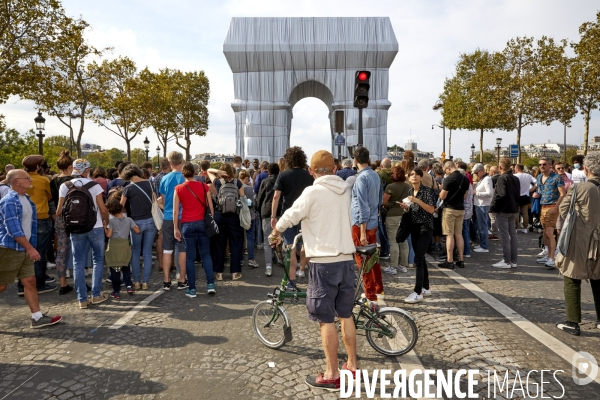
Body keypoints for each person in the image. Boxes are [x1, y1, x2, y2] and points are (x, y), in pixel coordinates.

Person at [269, 150, 357, 390]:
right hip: (347, 260)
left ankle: (332, 374)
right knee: (346, 314)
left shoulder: (312, 191)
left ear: (312, 171)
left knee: (326, 319)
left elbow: (290, 216)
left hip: (323, 262)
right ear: (335, 169)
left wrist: (275, 232)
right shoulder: (345, 191)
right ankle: (352, 366)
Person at [0, 169, 63, 328]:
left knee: (30, 281)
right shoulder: (9, 201)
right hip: (9, 249)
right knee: (2, 285)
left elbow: (30, 226)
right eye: (26, 178)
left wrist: (30, 247)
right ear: (16, 182)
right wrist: (31, 249)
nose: (30, 180)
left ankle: (37, 318)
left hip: (24, 248)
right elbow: (13, 230)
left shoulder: (26, 198)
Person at [555, 152, 600, 336]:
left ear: (586, 169)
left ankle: (573, 322)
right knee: (599, 278)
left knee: (571, 276)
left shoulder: (579, 188)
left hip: (580, 238)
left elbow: (564, 211)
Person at [56, 159, 109, 309]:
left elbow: (59, 211)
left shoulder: (64, 186)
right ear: (87, 170)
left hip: (75, 228)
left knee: (77, 262)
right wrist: (106, 222)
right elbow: (103, 209)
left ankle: (82, 299)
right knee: (98, 260)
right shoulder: (94, 186)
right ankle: (96, 295)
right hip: (96, 226)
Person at [271, 147, 314, 285]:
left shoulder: (283, 175)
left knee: (290, 248)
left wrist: (273, 216)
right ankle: (314, 279)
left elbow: (276, 197)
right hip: (306, 216)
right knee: (307, 246)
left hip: (288, 215)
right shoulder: (309, 175)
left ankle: (292, 281)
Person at [173, 162, 216, 297]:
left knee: (190, 257)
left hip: (187, 224)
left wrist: (175, 228)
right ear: (195, 172)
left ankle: (192, 288)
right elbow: (210, 208)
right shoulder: (204, 186)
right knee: (206, 254)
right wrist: (210, 221)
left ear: (183, 174)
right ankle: (210, 284)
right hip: (202, 223)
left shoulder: (179, 188)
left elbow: (175, 211)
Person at [351, 146, 384, 304]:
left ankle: (370, 294)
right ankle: (378, 289)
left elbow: (362, 206)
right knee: (373, 258)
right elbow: (378, 201)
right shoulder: (375, 175)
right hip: (372, 222)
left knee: (362, 260)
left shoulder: (361, 178)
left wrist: (362, 231)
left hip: (361, 224)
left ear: (355, 160)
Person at [19, 155, 55, 295]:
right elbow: (49, 198)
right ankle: (39, 284)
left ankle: (22, 286)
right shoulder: (43, 180)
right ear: (39, 167)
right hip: (41, 218)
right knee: (39, 252)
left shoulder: (19, 180)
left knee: (25, 252)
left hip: (23, 219)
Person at [399, 168, 436, 303]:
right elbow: (413, 210)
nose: (414, 176)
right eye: (411, 175)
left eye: (416, 174)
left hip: (425, 227)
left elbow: (431, 209)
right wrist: (407, 208)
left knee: (418, 259)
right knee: (420, 258)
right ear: (409, 178)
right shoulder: (410, 191)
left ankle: (417, 291)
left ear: (421, 177)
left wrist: (416, 201)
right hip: (414, 227)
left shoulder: (426, 191)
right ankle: (426, 287)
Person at [208, 163, 247, 281]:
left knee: (219, 244)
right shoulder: (238, 183)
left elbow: (208, 171)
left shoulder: (218, 182)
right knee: (236, 243)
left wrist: (217, 172)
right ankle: (235, 272)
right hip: (234, 217)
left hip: (220, 215)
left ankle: (219, 273)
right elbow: (243, 199)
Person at [120, 164, 157, 291]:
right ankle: (145, 282)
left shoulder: (128, 188)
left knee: (135, 251)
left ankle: (136, 281)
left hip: (135, 222)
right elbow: (154, 201)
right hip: (151, 220)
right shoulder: (150, 183)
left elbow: (120, 206)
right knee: (147, 252)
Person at [159, 151, 187, 290]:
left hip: (168, 216)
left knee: (167, 249)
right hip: (183, 217)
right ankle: (182, 279)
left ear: (170, 163)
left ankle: (166, 280)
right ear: (182, 161)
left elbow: (163, 201)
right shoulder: (185, 178)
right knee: (182, 248)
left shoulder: (165, 178)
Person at [103, 198, 139, 298]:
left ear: (110, 211)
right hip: (125, 246)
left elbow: (109, 235)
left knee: (115, 269)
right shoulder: (129, 220)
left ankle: (116, 291)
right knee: (126, 266)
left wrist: (105, 228)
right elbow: (137, 230)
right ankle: (129, 286)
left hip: (114, 246)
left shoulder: (112, 221)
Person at [534, 156, 566, 268]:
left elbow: (563, 194)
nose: (542, 166)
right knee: (544, 233)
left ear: (550, 165)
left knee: (549, 233)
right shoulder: (539, 177)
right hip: (543, 206)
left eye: (544, 164)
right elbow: (540, 190)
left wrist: (556, 207)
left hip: (552, 206)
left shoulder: (556, 177)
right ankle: (548, 255)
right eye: (540, 164)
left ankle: (552, 258)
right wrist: (536, 194)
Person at [50, 151, 75, 293]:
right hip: (75, 217)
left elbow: (52, 201)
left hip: (60, 217)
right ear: (71, 166)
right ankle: (80, 281)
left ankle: (63, 283)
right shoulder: (75, 180)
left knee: (61, 250)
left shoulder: (53, 181)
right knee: (78, 249)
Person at [438, 161, 469, 269]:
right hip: (460, 208)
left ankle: (450, 260)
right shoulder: (465, 178)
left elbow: (442, 196)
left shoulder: (449, 179)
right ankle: (461, 260)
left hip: (450, 209)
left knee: (449, 235)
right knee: (459, 235)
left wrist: (440, 189)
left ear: (448, 168)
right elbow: (465, 196)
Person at [490, 158, 520, 269]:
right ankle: (513, 260)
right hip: (513, 209)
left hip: (503, 209)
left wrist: (494, 207)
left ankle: (507, 260)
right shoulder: (515, 178)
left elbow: (500, 195)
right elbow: (518, 195)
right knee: (512, 235)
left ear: (500, 167)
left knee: (504, 236)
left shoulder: (502, 178)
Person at [382, 165, 410, 274]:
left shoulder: (390, 186)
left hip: (392, 216)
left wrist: (389, 204)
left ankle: (393, 266)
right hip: (404, 215)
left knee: (393, 241)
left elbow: (384, 202)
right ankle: (403, 265)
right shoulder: (408, 187)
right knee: (403, 241)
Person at [256, 163, 282, 277]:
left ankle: (268, 266)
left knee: (267, 240)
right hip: (280, 211)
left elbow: (260, 197)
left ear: (269, 172)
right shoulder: (282, 181)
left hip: (266, 211)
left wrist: (259, 209)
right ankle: (282, 260)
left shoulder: (265, 182)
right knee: (282, 239)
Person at [472, 163, 493, 253]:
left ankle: (484, 246)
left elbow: (489, 193)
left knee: (483, 226)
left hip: (483, 205)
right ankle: (482, 244)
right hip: (480, 204)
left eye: (477, 173)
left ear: (481, 171)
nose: (476, 175)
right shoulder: (483, 179)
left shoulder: (487, 179)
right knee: (481, 226)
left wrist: (476, 193)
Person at [513, 164, 537, 233]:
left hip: (517, 196)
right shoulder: (528, 175)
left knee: (516, 212)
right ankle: (525, 228)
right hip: (526, 195)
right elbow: (537, 182)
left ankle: (515, 228)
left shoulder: (514, 176)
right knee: (525, 213)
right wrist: (532, 189)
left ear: (517, 169)